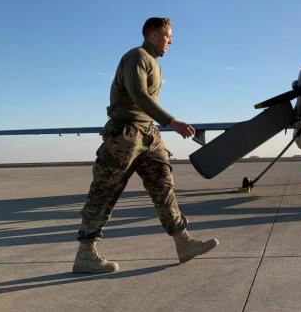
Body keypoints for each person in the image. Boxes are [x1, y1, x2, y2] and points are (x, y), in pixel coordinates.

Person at [73, 17, 218, 273]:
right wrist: (172, 121)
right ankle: (85, 253)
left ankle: (183, 242)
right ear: (152, 34)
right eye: (167, 35)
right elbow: (138, 94)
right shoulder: (137, 57)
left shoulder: (154, 63)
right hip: (125, 134)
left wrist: (159, 125)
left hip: (149, 134)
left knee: (163, 185)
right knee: (105, 190)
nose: (171, 40)